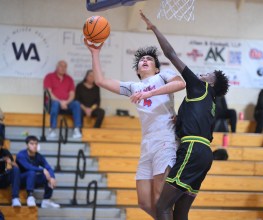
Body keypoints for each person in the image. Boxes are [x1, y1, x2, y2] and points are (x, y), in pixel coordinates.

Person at [140, 11, 229, 220]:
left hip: (193, 150)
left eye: (207, 74)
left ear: (211, 82)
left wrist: (154, 29)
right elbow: (196, 125)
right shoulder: (211, 103)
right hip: (204, 153)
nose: (202, 74)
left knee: (162, 206)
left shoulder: (199, 87)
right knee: (180, 212)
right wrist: (180, 122)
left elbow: (171, 54)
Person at [84, 41, 185, 217]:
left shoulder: (163, 77)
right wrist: (95, 52)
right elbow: (100, 81)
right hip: (147, 144)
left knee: (160, 197)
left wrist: (150, 93)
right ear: (138, 71)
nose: (145, 60)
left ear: (156, 69)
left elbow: (180, 84)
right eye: (141, 60)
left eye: (149, 59)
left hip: (165, 139)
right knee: (145, 202)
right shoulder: (133, 87)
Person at [16, 136, 60, 208]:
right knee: (31, 172)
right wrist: (42, 170)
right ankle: (30, 196)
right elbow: (28, 167)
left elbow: (48, 167)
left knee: (47, 175)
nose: (34, 146)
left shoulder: (39, 156)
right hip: (21, 180)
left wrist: (52, 177)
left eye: (36, 144)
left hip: (32, 180)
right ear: (27, 145)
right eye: (32, 144)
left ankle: (46, 200)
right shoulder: (21, 155)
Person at [43, 60, 82, 139]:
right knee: (56, 103)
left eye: (65, 66)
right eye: (61, 66)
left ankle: (77, 129)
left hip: (66, 103)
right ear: (57, 67)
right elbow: (48, 93)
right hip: (52, 103)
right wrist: (60, 102)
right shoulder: (49, 76)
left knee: (76, 104)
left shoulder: (69, 79)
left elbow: (72, 94)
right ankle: (52, 129)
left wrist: (66, 102)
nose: (63, 68)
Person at [0, 136, 21, 207]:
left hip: (3, 178)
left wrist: (10, 162)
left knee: (15, 170)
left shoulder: (5, 152)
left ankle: (15, 198)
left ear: (1, 146)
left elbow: (16, 167)